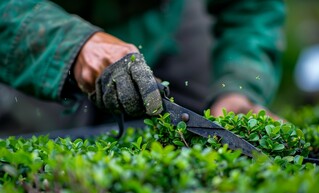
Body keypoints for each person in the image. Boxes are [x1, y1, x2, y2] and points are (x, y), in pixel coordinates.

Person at [0, 0, 285, 136]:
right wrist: (70, 46)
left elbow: (253, 8)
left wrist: (241, 86)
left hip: (163, 17)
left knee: (199, 130)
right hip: (34, 21)